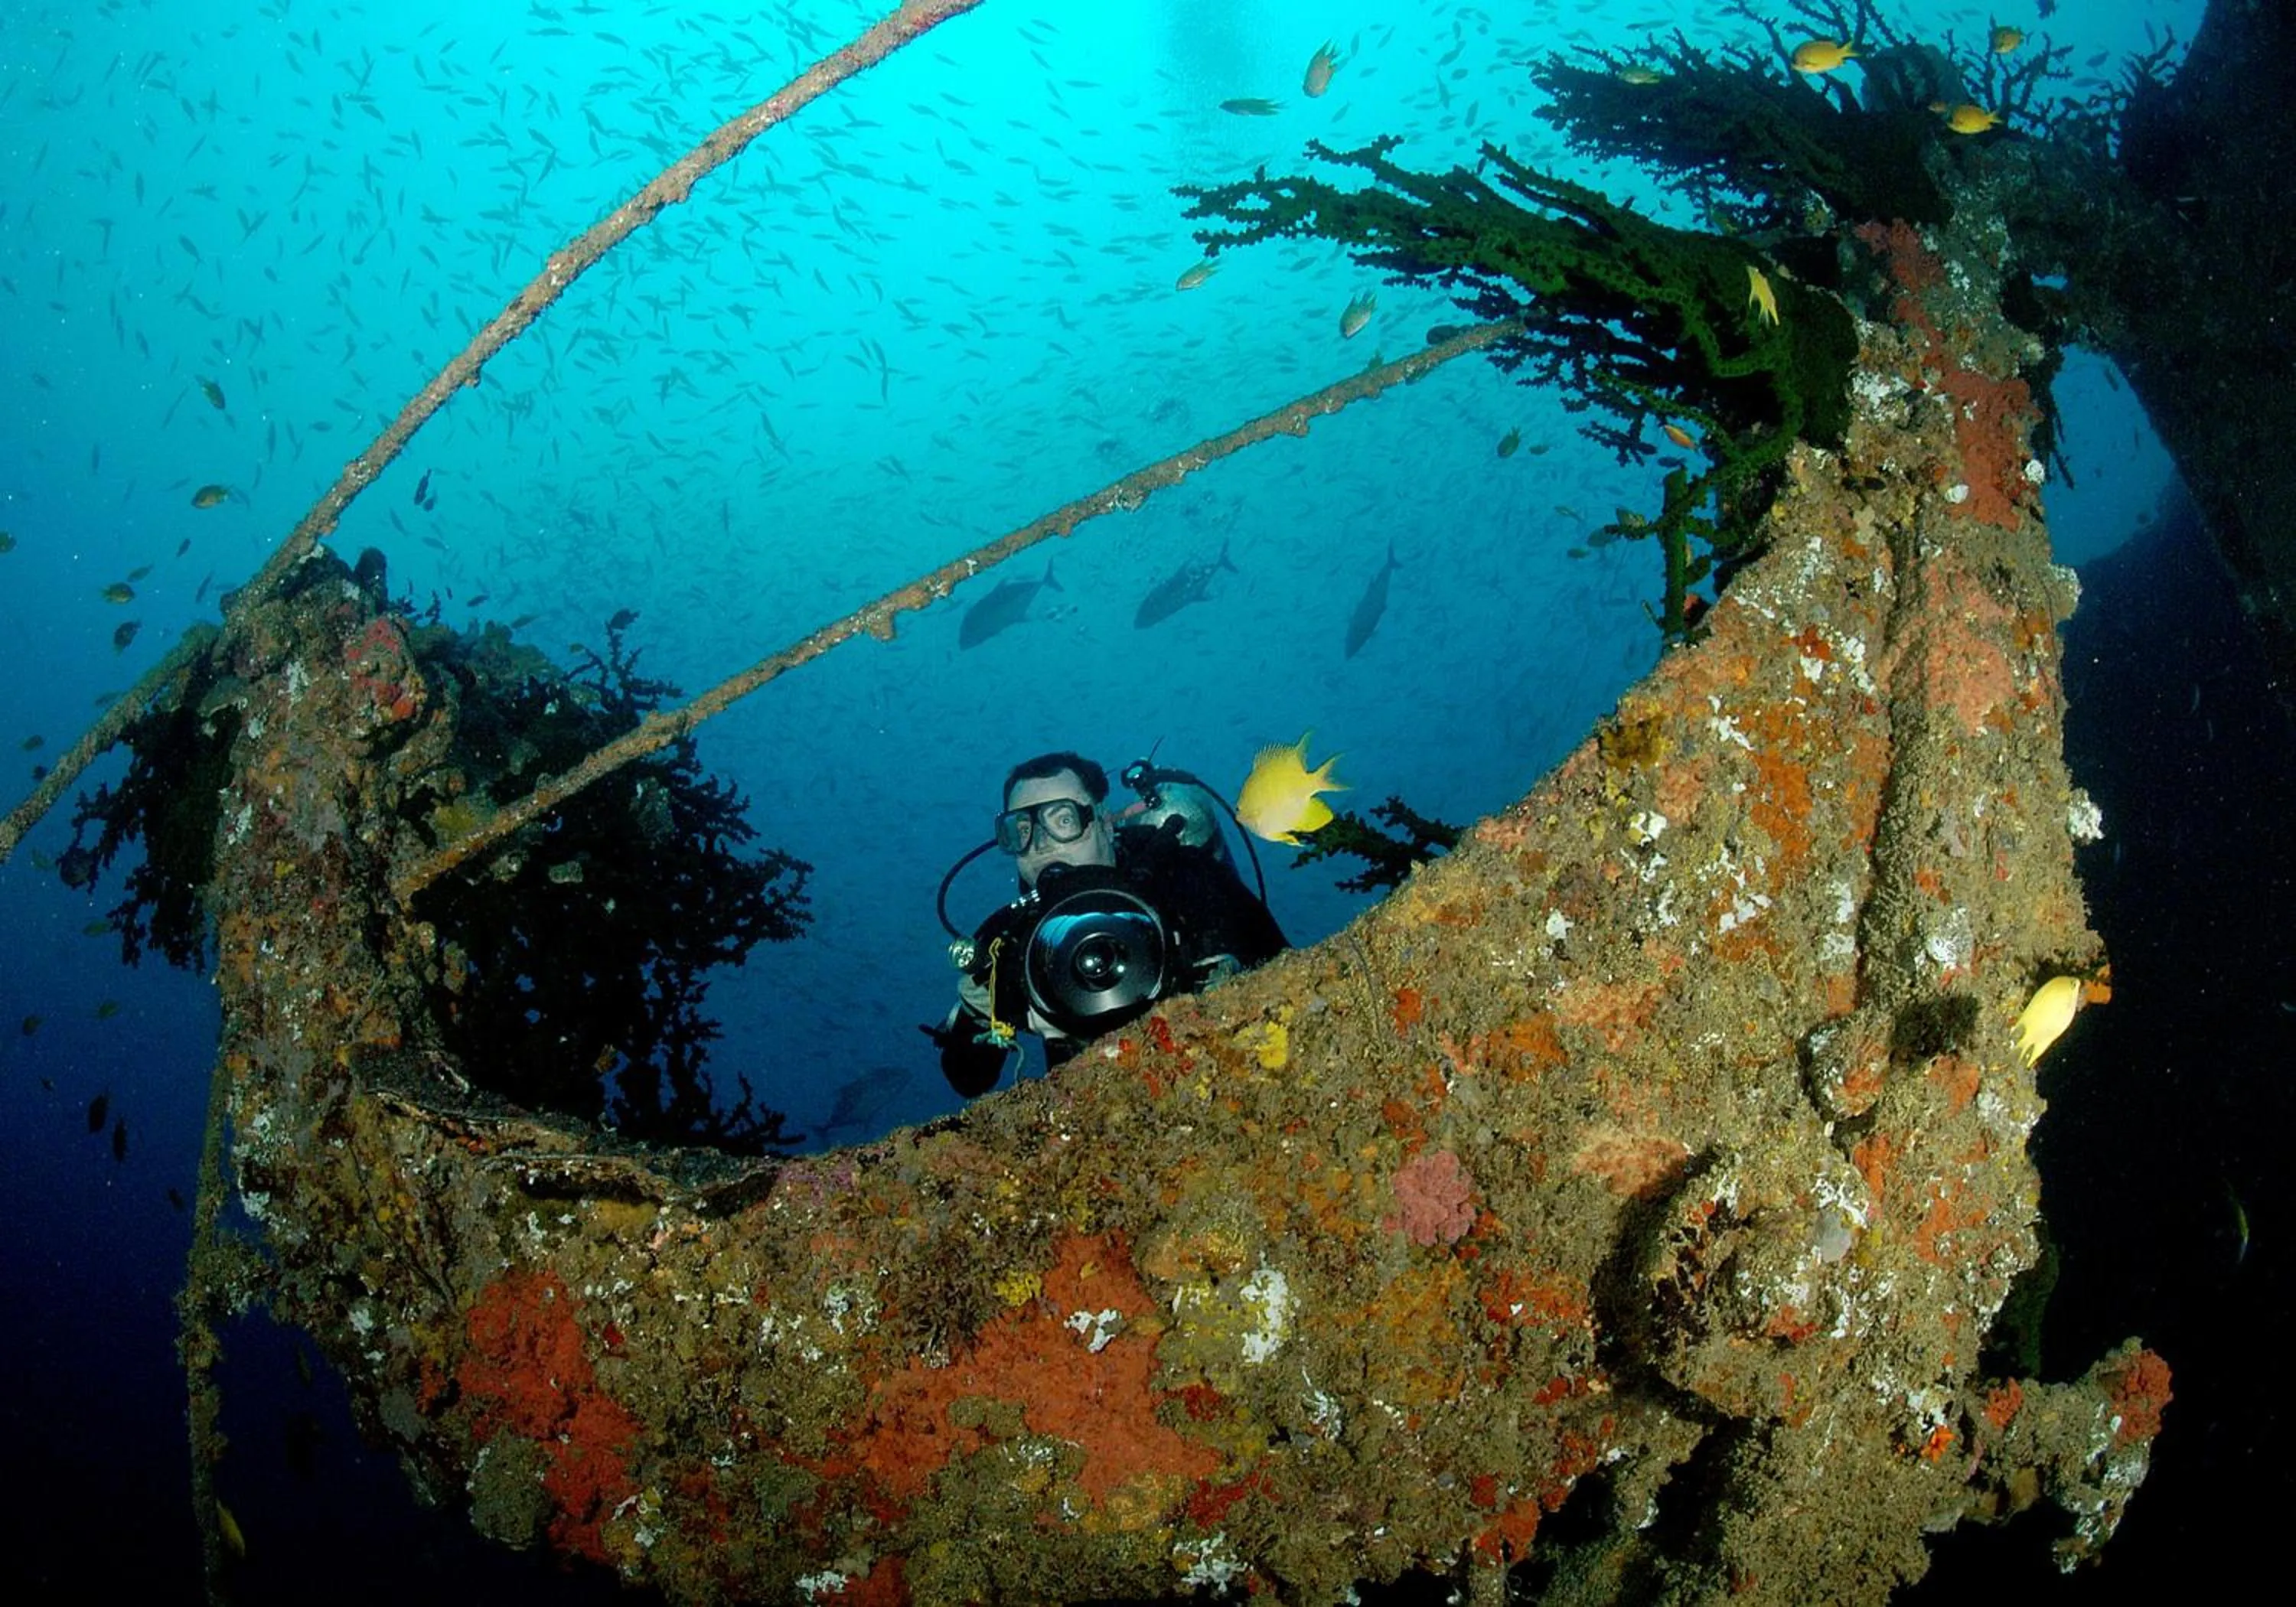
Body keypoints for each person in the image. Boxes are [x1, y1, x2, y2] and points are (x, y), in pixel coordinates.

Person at [925, 751, 1287, 1097]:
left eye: (1062, 820)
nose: (1042, 845)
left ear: (1103, 820)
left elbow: (1286, 971)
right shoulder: (1009, 939)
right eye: (1020, 830)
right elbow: (967, 1078)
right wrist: (977, 1011)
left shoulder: (1189, 881)